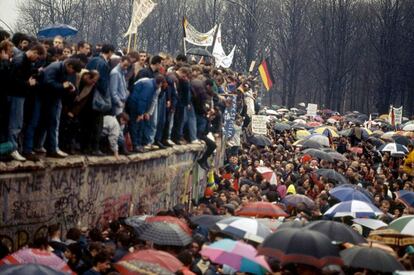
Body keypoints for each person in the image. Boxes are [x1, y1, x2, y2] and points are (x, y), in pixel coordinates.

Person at [24, 58, 83, 159]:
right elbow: (48, 83)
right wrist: (62, 86)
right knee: (35, 122)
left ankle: (42, 147)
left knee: (48, 123)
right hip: (42, 96)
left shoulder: (64, 69)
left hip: (52, 98)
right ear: (69, 66)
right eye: (72, 71)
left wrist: (71, 88)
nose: (72, 73)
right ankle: (29, 150)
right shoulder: (55, 67)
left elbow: (64, 84)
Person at [7, 43, 46, 161]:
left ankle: (15, 148)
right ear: (34, 52)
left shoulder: (25, 60)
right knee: (15, 123)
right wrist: (28, 84)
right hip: (16, 96)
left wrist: (35, 71)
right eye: (37, 57)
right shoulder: (20, 61)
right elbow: (12, 81)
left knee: (18, 123)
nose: (36, 60)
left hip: (20, 95)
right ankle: (12, 149)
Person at [85, 44, 115, 156]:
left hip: (88, 95)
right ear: (110, 52)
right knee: (97, 124)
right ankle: (95, 148)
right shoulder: (104, 64)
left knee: (87, 123)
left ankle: (86, 147)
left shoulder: (92, 60)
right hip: (97, 98)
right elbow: (103, 84)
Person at [126, 74, 165, 152]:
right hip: (135, 106)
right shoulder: (149, 86)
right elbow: (142, 100)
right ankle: (135, 145)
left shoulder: (151, 83)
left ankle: (139, 144)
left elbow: (150, 100)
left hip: (139, 107)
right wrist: (140, 113)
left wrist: (147, 112)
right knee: (135, 125)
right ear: (160, 83)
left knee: (141, 125)